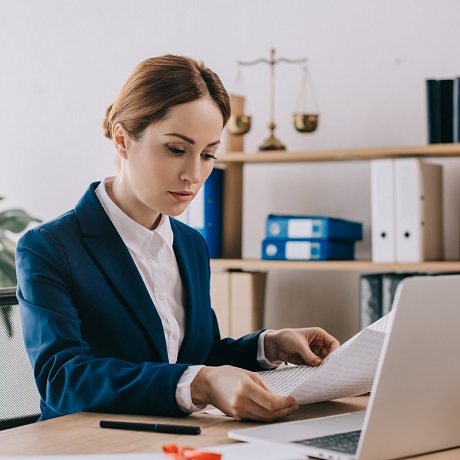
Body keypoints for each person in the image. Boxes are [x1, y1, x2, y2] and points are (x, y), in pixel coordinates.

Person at [16, 54, 339, 423]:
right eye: (176, 150)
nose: (194, 174)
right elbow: (62, 379)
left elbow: (196, 358)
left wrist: (269, 345)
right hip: (87, 445)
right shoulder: (49, 247)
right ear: (123, 140)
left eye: (208, 154)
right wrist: (202, 384)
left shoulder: (190, 244)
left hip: (175, 437)